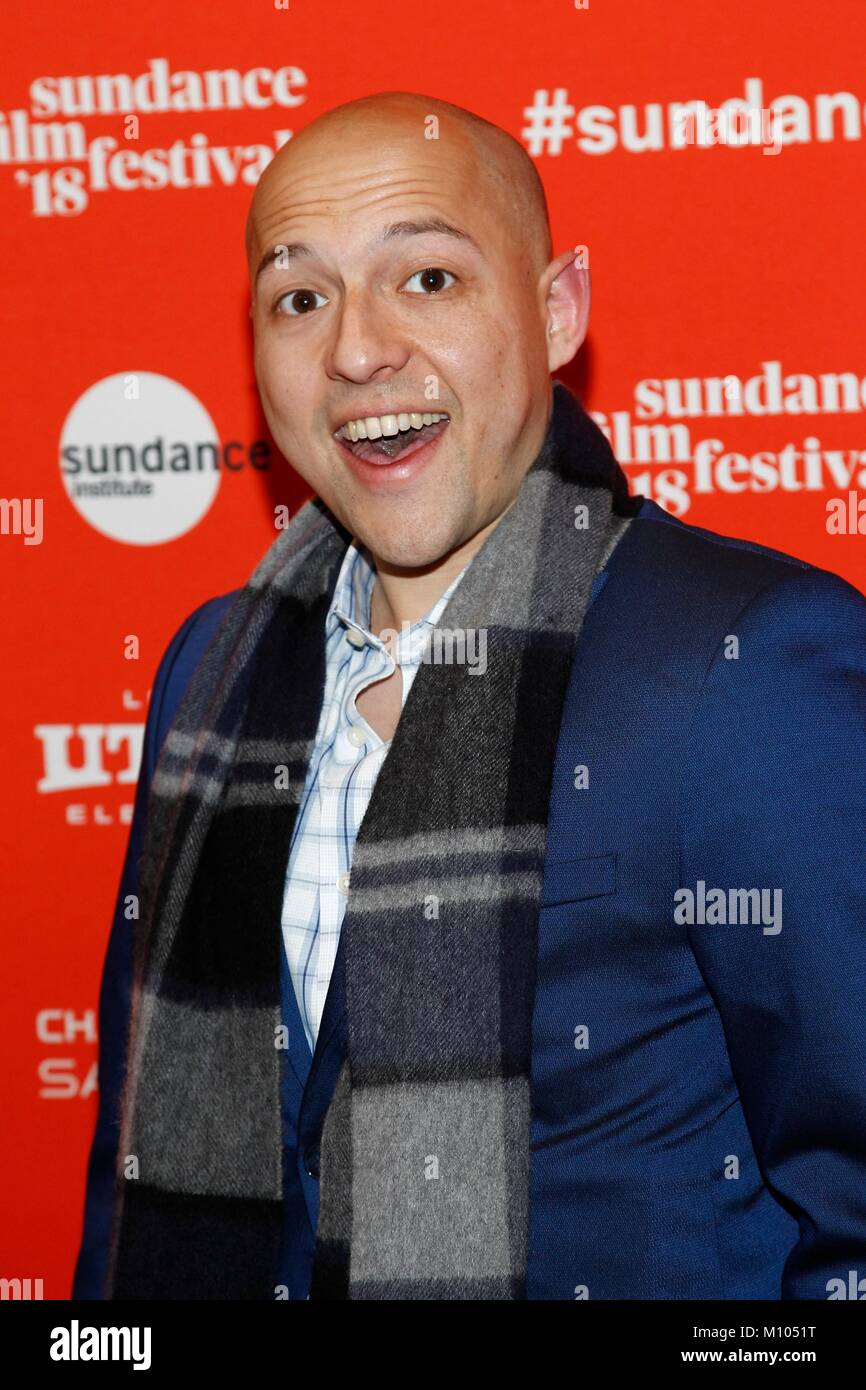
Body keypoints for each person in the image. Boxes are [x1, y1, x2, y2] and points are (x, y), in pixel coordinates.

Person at [73, 90, 866, 1301]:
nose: (354, 348)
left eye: (427, 279)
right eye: (299, 297)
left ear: (556, 313)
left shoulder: (746, 657)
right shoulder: (212, 669)